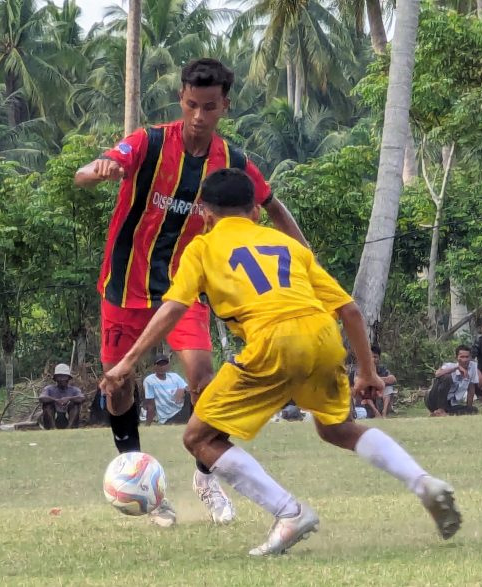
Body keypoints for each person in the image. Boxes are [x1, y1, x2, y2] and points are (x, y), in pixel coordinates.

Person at [101, 169, 461, 556]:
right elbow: (351, 311)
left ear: (204, 214)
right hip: (322, 336)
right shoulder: (287, 245)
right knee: (338, 428)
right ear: (255, 212)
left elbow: (173, 307)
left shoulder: (202, 248)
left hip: (271, 340)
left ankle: (289, 513)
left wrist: (127, 362)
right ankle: (424, 483)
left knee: (199, 438)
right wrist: (367, 371)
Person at [74, 58, 307, 526]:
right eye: (191, 105)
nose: (199, 115)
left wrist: (302, 255)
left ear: (225, 105)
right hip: (124, 285)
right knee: (118, 387)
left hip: (186, 288)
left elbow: (271, 204)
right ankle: (144, 482)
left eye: (210, 106)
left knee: (203, 377)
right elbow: (84, 173)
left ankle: (206, 475)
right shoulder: (149, 141)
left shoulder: (232, 163)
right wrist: (96, 170)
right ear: (181, 99)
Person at [425, 345, 479, 416]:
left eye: (467, 357)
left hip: (449, 402)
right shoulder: (449, 366)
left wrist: (469, 408)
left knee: (473, 410)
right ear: (456, 358)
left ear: (470, 357)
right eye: (462, 357)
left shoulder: (473, 367)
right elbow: (437, 374)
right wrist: (456, 368)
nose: (465, 360)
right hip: (433, 399)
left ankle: (442, 413)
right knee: (447, 377)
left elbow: (471, 389)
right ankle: (440, 410)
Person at [143, 354, 191, 425]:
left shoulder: (174, 376)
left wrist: (183, 389)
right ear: (154, 367)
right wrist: (147, 425)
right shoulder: (150, 381)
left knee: (194, 393)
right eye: (159, 364)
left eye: (164, 364)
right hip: (169, 417)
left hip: (181, 410)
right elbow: (150, 405)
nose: (162, 367)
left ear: (168, 366)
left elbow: (190, 389)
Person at [39, 364, 85, 429]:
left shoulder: (74, 390)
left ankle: (70, 428)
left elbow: (82, 398)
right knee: (47, 405)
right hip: (52, 419)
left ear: (68, 378)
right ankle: (52, 428)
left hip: (69, 419)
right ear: (55, 379)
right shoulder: (49, 388)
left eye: (64, 377)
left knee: (75, 405)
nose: (62, 379)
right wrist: (55, 400)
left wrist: (69, 399)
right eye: (59, 377)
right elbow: (41, 398)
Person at [372, 345, 399, 417]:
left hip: (380, 400)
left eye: (375, 357)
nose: (373, 359)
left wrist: (376, 380)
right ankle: (375, 412)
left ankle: (384, 412)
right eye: (371, 357)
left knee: (389, 387)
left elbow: (393, 379)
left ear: (379, 359)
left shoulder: (382, 369)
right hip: (368, 402)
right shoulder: (363, 370)